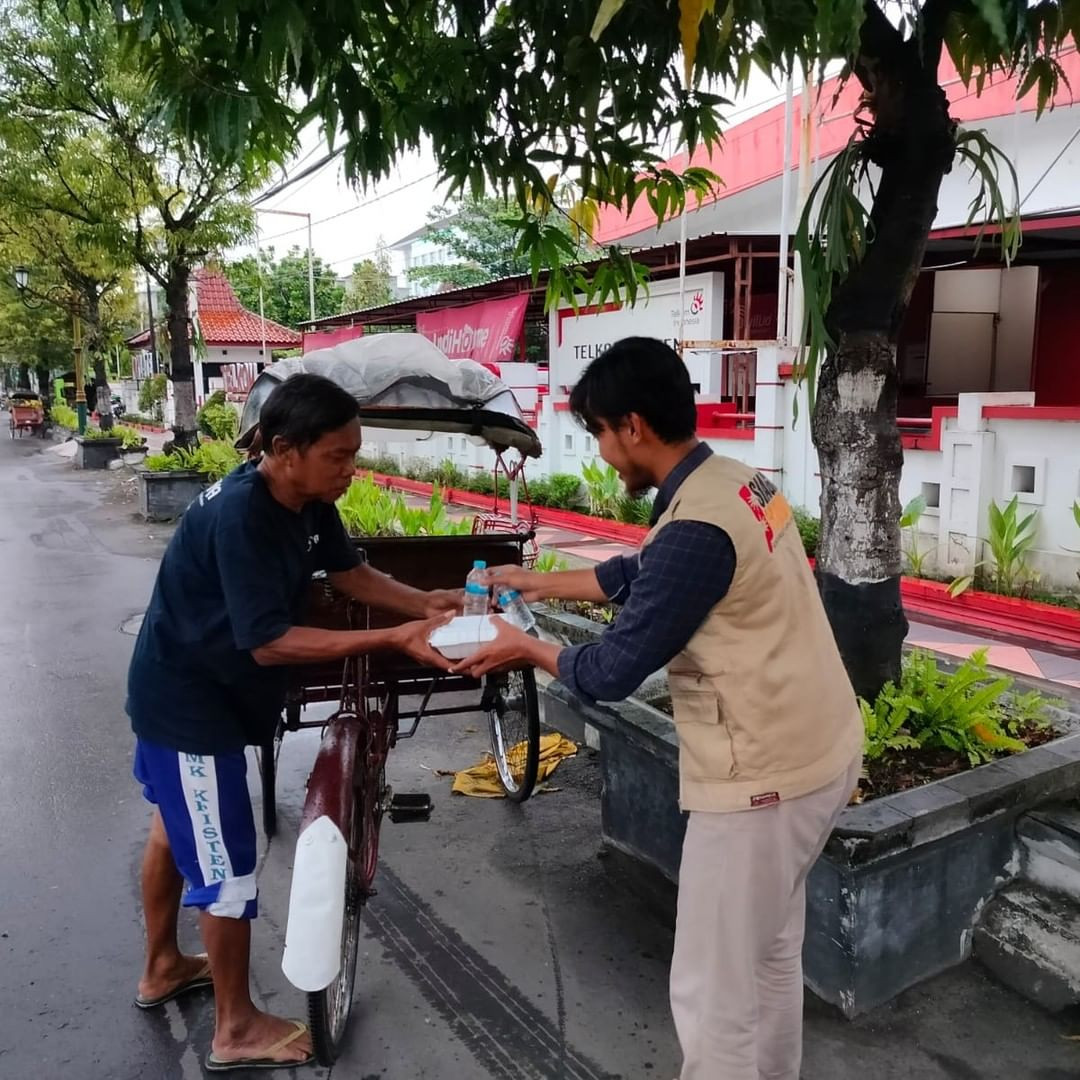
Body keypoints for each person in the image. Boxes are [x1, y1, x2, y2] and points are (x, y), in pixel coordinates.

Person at [455, 337, 863, 1080]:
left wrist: (523, 647)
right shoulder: (736, 482)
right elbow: (639, 571)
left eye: (600, 436)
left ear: (632, 426)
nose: (605, 455)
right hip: (819, 752)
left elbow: (609, 670)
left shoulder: (696, 528)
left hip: (761, 783)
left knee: (712, 994)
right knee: (769, 954)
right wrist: (539, 583)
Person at [126, 373, 459, 1072]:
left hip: (192, 690)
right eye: (338, 456)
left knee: (172, 826)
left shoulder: (305, 500)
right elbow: (269, 641)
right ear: (284, 449)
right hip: (191, 704)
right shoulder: (244, 516)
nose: (351, 469)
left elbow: (348, 573)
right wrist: (388, 640)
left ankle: (161, 965)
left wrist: (421, 604)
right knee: (226, 863)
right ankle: (235, 1026)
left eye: (353, 454)